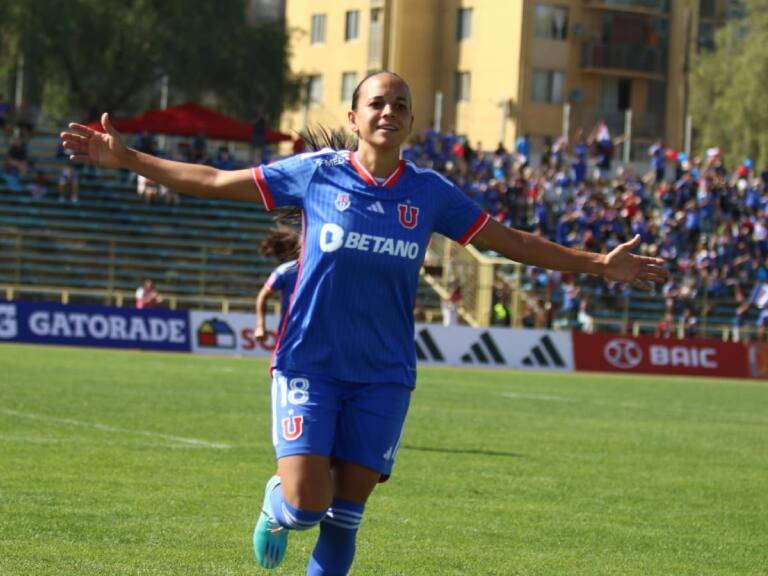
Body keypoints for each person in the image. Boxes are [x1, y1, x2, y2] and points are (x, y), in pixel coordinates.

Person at [61, 70, 668, 575]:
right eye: (376, 102)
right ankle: (277, 508)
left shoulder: (431, 194)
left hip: (383, 374)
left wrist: (598, 265)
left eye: (399, 105)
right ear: (354, 118)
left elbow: (509, 241)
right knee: (306, 503)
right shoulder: (317, 172)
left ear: (409, 121)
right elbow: (217, 181)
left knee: (347, 516)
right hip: (310, 363)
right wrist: (129, 158)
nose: (389, 111)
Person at [255, 227, 301, 343]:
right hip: (289, 334)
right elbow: (263, 295)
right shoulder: (286, 271)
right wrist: (260, 325)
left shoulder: (323, 271)